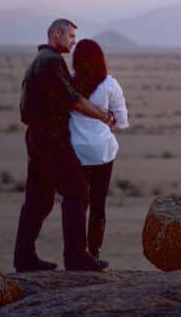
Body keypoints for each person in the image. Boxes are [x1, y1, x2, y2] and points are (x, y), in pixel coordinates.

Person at [13, 19, 115, 272]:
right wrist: (103, 116)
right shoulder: (51, 61)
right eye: (70, 36)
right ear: (56, 33)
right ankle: (76, 257)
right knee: (77, 192)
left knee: (38, 200)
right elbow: (73, 100)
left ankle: (24, 258)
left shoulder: (40, 60)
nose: (73, 41)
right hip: (50, 138)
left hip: (37, 137)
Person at [69, 38, 130, 270]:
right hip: (102, 152)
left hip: (76, 150)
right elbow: (122, 120)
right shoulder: (110, 84)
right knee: (98, 203)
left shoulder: (69, 83)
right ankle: (93, 254)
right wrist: (109, 118)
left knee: (77, 203)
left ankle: (77, 253)